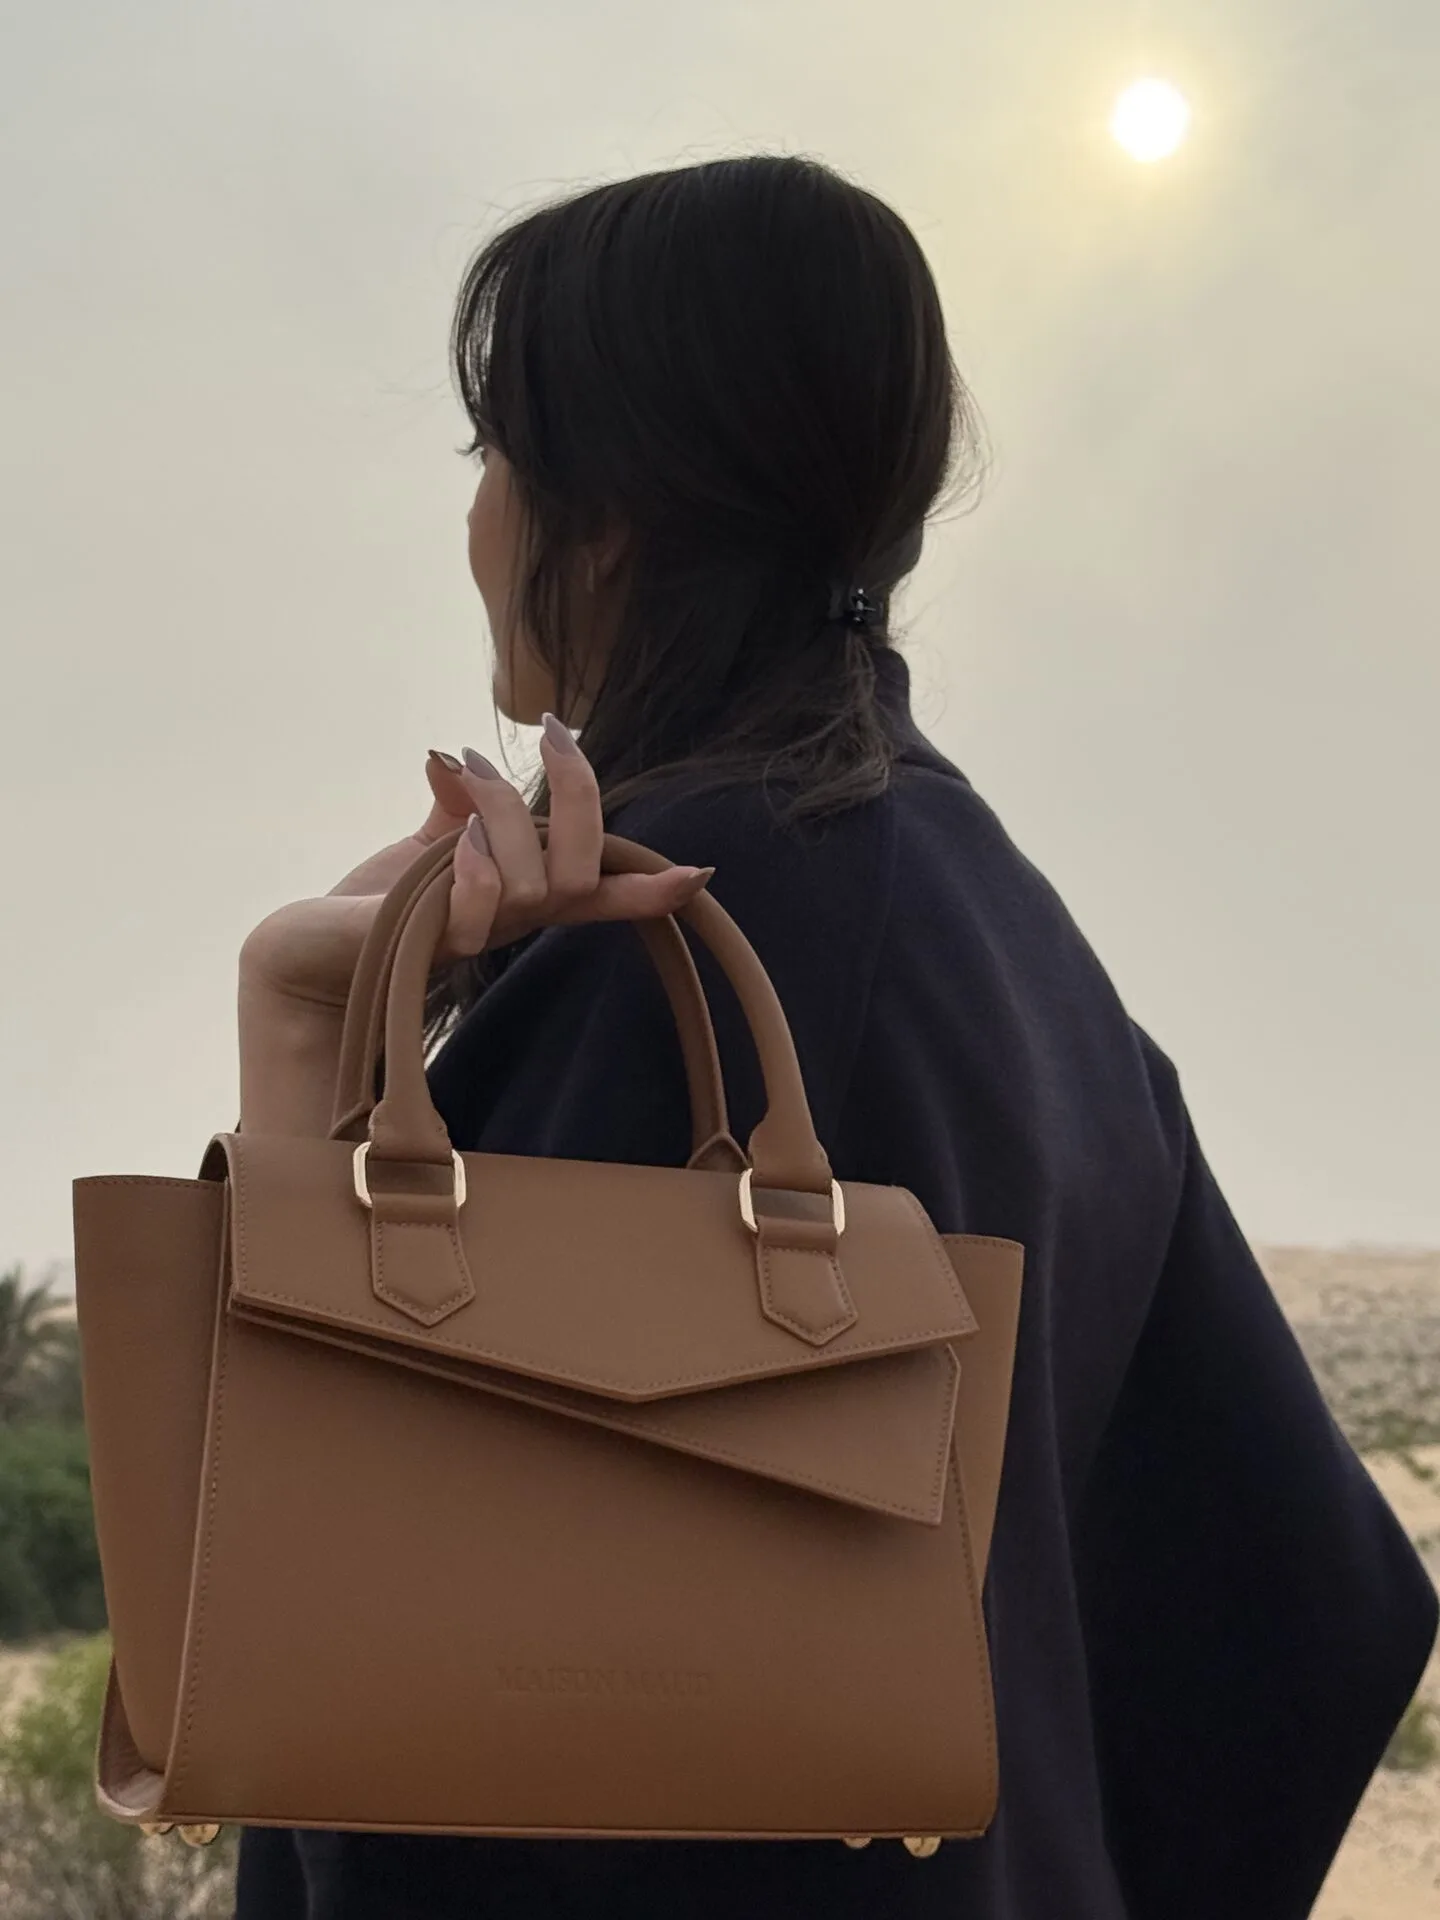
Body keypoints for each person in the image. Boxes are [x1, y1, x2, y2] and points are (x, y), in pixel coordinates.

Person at [231, 155, 1436, 1920]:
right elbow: (1311, 1602)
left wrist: (299, 1030)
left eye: (491, 452)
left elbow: (336, 1638)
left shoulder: (673, 953)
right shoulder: (1018, 942)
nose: (478, 518)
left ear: (611, 509)